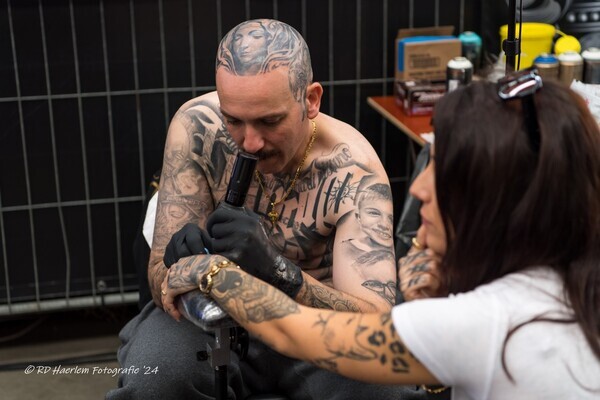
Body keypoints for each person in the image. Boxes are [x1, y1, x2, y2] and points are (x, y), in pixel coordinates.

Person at [162, 70, 600, 399]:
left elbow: (294, 331)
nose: (418, 188)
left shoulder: (482, 323)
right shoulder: (572, 289)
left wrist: (213, 273)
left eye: (440, 171)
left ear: (499, 201)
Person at [107, 19, 432, 399]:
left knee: (385, 392)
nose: (250, 143)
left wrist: (276, 269)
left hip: (313, 328)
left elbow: (377, 324)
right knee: (156, 381)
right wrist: (176, 262)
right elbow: (159, 279)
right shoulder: (197, 127)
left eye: (270, 121)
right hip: (213, 312)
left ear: (311, 100)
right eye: (234, 120)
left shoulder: (353, 172)